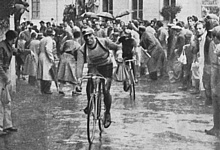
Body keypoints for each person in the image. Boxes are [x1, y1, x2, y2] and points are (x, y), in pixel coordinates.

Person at [76, 27, 123, 128]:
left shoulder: (104, 42)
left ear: (94, 35)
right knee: (90, 84)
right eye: (85, 37)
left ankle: (107, 113)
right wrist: (78, 79)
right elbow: (79, 65)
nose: (88, 38)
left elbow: (118, 47)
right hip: (94, 67)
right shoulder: (82, 49)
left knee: (105, 90)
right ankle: (90, 104)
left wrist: (119, 55)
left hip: (106, 66)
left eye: (90, 36)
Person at [0, 30, 18, 135]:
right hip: (2, 74)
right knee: (1, 101)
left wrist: (28, 51)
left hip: (4, 73)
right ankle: (1, 126)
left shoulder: (8, 46)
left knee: (6, 100)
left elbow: (16, 51)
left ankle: (7, 125)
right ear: (13, 38)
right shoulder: (2, 47)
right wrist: (5, 77)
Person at [37, 28, 55, 94]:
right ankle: (47, 89)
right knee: (48, 73)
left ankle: (42, 88)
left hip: (41, 55)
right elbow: (48, 49)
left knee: (42, 73)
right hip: (46, 56)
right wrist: (51, 58)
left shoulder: (42, 39)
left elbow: (38, 48)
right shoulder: (49, 40)